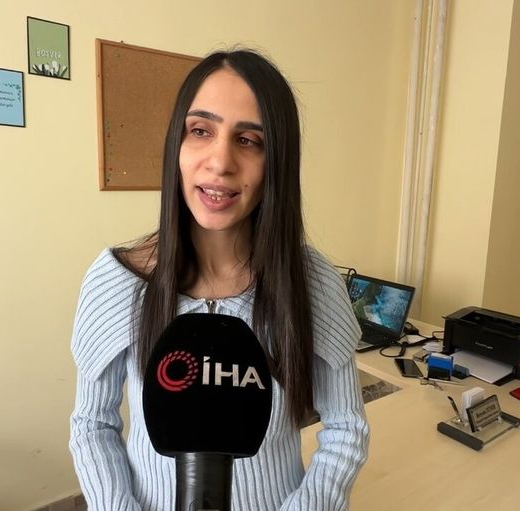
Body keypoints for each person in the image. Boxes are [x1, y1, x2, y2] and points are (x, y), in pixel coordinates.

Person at [69, 48, 369, 511]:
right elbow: (93, 425)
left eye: (249, 140)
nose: (220, 161)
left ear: (277, 163)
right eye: (201, 131)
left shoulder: (313, 283)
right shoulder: (118, 280)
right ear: (177, 145)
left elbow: (347, 428)